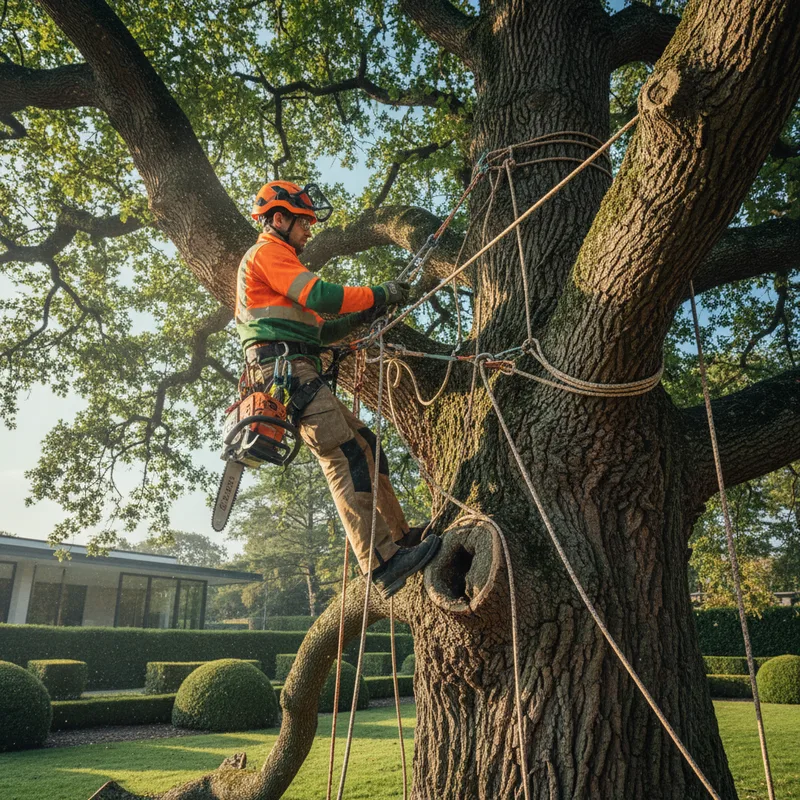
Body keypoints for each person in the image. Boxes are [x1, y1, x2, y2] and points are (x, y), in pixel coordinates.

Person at [235, 180, 440, 599]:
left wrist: (370, 310)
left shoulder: (281, 263)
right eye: (304, 223)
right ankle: (380, 562)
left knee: (366, 445)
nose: (308, 232)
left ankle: (399, 538)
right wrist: (378, 293)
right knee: (344, 455)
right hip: (286, 369)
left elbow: (322, 329)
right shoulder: (268, 253)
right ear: (279, 219)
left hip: (298, 361)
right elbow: (323, 297)